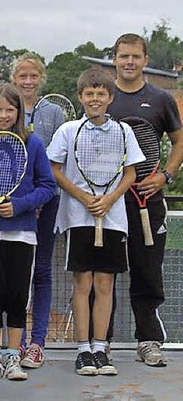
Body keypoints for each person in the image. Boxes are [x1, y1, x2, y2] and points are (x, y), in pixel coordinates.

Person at [47, 68, 144, 376]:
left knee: (105, 283)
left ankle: (101, 348)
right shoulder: (68, 131)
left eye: (101, 93)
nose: (95, 98)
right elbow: (55, 170)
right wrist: (84, 197)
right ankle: (83, 350)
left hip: (112, 219)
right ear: (80, 97)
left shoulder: (123, 131)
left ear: (110, 98)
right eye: (89, 93)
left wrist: (109, 199)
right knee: (82, 282)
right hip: (78, 217)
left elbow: (130, 173)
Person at [0, 83, 55, 381]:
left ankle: (13, 356)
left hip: (23, 235)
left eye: (10, 109)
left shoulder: (33, 144)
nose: (3, 115)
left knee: (17, 298)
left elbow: (48, 187)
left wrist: (19, 206)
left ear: (19, 112)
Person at [106, 33, 183, 367]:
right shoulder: (102, 97)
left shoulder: (161, 99)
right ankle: (100, 341)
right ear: (115, 59)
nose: (129, 62)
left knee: (147, 270)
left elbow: (179, 142)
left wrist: (164, 176)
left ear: (145, 59)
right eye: (124, 56)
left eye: (135, 56)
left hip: (148, 202)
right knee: (103, 272)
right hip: (109, 203)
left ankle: (148, 340)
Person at [10, 52, 67, 368]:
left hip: (48, 205)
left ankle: (37, 343)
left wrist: (42, 200)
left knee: (42, 272)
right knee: (16, 274)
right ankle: (14, 342)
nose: (28, 82)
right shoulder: (6, 109)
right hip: (14, 207)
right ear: (14, 79)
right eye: (22, 76)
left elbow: (58, 164)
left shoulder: (54, 113)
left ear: (41, 78)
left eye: (33, 76)